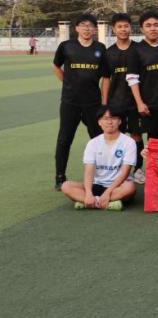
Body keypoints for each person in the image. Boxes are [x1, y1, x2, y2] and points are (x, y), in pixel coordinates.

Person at [53, 13, 111, 189]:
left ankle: (103, 177)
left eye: (90, 25)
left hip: (93, 103)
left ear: (95, 29)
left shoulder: (100, 48)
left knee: (99, 139)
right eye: (83, 25)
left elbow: (106, 77)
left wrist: (104, 102)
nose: (87, 28)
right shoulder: (66, 46)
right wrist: (67, 83)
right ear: (76, 28)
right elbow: (56, 66)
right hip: (70, 102)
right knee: (64, 139)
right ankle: (60, 176)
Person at [128, 10, 158, 181]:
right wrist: (139, 102)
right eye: (148, 26)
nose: (153, 28)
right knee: (151, 138)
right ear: (142, 29)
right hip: (149, 103)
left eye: (156, 25)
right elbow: (132, 78)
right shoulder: (136, 50)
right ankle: (144, 170)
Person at [60, 105, 136, 210]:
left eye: (113, 118)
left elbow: (125, 172)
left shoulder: (129, 142)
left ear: (119, 121)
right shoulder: (93, 143)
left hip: (117, 186)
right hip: (97, 185)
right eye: (106, 118)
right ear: (99, 122)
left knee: (130, 188)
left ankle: (88, 202)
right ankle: (106, 203)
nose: (110, 122)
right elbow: (89, 171)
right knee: (66, 186)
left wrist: (108, 192)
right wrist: (88, 193)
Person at [104, 12, 142, 164]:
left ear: (130, 28)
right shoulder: (109, 52)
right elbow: (106, 78)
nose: (123, 29)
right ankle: (118, 167)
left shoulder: (138, 49)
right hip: (116, 101)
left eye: (126, 26)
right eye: (119, 27)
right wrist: (104, 103)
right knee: (116, 135)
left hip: (135, 102)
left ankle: (137, 168)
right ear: (114, 29)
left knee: (136, 134)